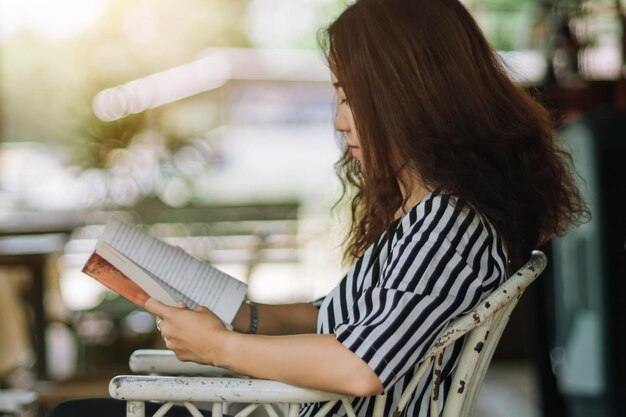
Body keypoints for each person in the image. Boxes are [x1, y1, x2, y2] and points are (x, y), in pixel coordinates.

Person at [47, 0, 589, 416]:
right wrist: (244, 315)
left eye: (352, 97)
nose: (339, 120)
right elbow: (340, 323)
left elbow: (358, 367)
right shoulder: (431, 217)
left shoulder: (449, 227)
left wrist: (219, 347)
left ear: (409, 96)